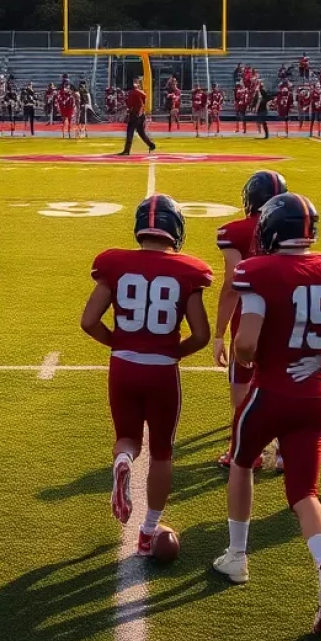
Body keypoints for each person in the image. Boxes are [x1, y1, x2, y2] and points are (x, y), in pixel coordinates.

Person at [212, 194, 321, 637]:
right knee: (305, 492)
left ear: (271, 230)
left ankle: (238, 557)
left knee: (243, 463)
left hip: (271, 391)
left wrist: (254, 359)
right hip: (314, 396)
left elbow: (246, 343)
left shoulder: (258, 271)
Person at [81, 196, 211, 550]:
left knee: (127, 438)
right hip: (162, 371)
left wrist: (117, 344)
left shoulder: (115, 263)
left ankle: (123, 460)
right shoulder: (189, 269)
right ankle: (148, 529)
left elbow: (88, 321)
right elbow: (201, 334)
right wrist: (173, 352)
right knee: (162, 452)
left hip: (123, 365)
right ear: (175, 230)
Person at [214, 171, 288, 469]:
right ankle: (284, 451)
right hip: (285, 314)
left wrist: (219, 333)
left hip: (247, 316)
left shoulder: (235, 231)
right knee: (282, 383)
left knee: (241, 389)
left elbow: (232, 283)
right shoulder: (290, 225)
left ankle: (245, 452)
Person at [119, 78, 156, 156]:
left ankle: (127, 150)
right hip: (141, 115)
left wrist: (125, 101)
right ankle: (151, 145)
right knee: (141, 133)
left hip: (135, 115)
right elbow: (144, 96)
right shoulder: (138, 92)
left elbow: (129, 105)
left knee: (130, 132)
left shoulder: (131, 93)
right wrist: (141, 105)